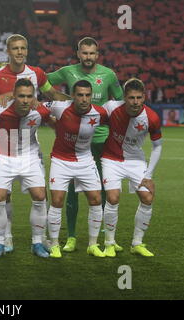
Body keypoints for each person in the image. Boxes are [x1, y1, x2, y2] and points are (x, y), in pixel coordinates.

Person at [0, 34, 69, 253]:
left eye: (23, 48)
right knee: (3, 195)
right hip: (4, 141)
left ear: (26, 51)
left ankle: (38, 240)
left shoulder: (37, 73)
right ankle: (5, 238)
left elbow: (51, 94)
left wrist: (74, 102)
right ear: (8, 51)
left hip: (30, 141)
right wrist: (0, 97)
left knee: (39, 195)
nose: (19, 52)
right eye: (15, 49)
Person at [46, 37, 124, 253]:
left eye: (92, 53)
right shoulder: (67, 71)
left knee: (105, 189)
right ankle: (71, 237)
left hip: (102, 139)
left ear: (97, 55)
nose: (88, 57)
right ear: (78, 53)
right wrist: (59, 97)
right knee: (71, 191)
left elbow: (119, 103)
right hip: (75, 141)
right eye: (84, 53)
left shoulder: (109, 75)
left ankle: (107, 237)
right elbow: (41, 80)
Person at [0, 78, 53, 258]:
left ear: (34, 97)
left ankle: (37, 242)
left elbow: (57, 122)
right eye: (21, 96)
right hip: (3, 157)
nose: (25, 100)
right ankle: (0, 242)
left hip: (30, 157)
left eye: (29, 97)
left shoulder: (40, 111)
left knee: (40, 196)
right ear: (13, 96)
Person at [45, 80, 108, 258]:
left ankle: (93, 244)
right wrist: (53, 123)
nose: (84, 99)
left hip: (85, 160)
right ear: (73, 96)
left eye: (87, 95)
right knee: (57, 200)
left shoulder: (100, 112)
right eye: (80, 95)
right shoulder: (60, 107)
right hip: (61, 160)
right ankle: (55, 244)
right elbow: (38, 107)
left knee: (96, 199)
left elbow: (118, 119)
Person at [101, 78, 162, 257]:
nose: (135, 102)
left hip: (135, 161)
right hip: (111, 158)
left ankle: (137, 243)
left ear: (144, 97)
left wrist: (149, 175)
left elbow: (158, 146)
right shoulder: (111, 107)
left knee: (147, 197)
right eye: (131, 98)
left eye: (138, 98)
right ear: (124, 98)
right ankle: (109, 243)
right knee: (112, 198)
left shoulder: (152, 117)